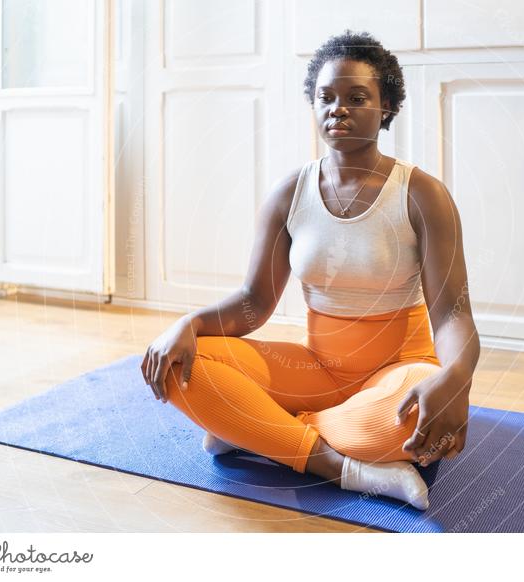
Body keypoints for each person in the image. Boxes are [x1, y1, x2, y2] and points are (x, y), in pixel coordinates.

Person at [141, 30, 480, 511]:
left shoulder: (422, 194)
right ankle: (341, 467)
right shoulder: (289, 193)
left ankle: (255, 429)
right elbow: (253, 304)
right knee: (179, 365)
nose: (337, 109)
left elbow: (453, 314)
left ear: (386, 108)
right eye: (326, 97)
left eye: (356, 97)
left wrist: (457, 378)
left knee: (407, 417)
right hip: (318, 370)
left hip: (398, 372)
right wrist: (187, 325)